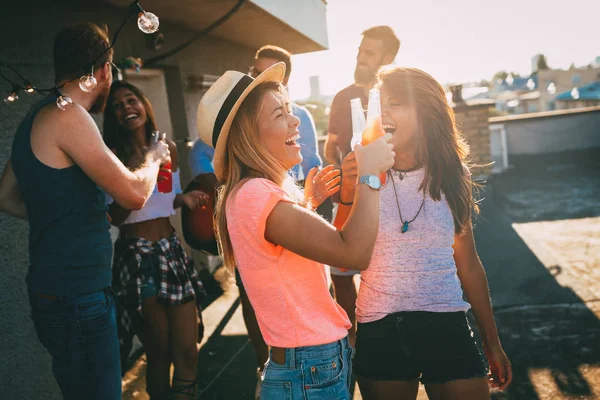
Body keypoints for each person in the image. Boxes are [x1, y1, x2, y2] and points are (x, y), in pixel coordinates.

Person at [197, 62, 395, 400]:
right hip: (307, 368)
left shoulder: (251, 194)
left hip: (310, 363)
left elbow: (281, 262)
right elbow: (353, 254)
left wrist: (306, 205)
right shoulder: (257, 195)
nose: (295, 121)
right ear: (248, 136)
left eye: (290, 110)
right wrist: (370, 175)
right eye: (279, 115)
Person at [0, 23, 170, 400]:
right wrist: (153, 157)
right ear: (104, 70)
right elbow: (133, 194)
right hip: (79, 299)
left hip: (52, 294)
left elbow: (5, 196)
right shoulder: (69, 116)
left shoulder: (34, 116)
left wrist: (62, 213)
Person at [337, 66, 512, 399]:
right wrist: (351, 185)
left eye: (397, 103)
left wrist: (492, 343)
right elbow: (341, 261)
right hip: (380, 325)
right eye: (381, 103)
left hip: (446, 320)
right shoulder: (362, 171)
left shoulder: (452, 173)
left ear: (426, 112)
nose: (384, 113)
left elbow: (469, 264)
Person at [103, 80, 208, 400]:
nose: (126, 108)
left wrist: (183, 199)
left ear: (144, 105)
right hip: (138, 259)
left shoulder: (168, 148)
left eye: (131, 100)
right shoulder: (112, 156)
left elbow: (163, 196)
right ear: (112, 117)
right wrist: (144, 162)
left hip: (172, 250)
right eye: (117, 106)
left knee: (188, 352)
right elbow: (116, 216)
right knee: (159, 354)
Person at [325, 25, 400, 346]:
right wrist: (340, 171)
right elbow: (331, 147)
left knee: (387, 275)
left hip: (394, 204)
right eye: (360, 52)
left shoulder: (400, 98)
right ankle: (354, 343)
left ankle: (388, 339)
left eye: (369, 53)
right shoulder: (343, 98)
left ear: (389, 57)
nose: (361, 58)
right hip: (349, 200)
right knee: (340, 273)